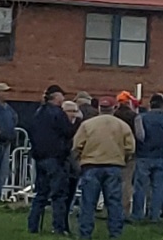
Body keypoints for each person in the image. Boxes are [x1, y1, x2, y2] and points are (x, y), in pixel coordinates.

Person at [73, 95, 135, 240]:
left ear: (99, 108)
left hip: (91, 166)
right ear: (114, 108)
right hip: (114, 166)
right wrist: (123, 159)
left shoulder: (87, 125)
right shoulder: (122, 125)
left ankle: (85, 233)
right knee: (114, 203)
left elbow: (77, 145)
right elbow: (130, 148)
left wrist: (80, 160)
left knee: (88, 202)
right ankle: (115, 233)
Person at [27, 84, 75, 235]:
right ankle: (58, 227)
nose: (63, 98)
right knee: (59, 194)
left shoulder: (38, 112)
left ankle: (33, 226)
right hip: (55, 158)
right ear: (56, 97)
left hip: (40, 157)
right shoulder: (57, 113)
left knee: (41, 193)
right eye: (62, 96)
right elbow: (68, 131)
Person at [132, 92, 163, 222]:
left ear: (150, 105)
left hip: (144, 156)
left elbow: (140, 136)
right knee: (158, 188)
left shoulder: (141, 117)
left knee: (140, 187)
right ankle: (154, 215)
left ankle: (138, 214)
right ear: (162, 105)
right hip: (161, 156)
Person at [114, 91, 138, 218]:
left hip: (113, 151)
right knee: (126, 182)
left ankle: (111, 208)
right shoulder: (134, 116)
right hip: (129, 153)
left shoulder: (114, 116)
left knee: (112, 181)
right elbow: (139, 135)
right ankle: (125, 210)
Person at [62, 100, 83, 233]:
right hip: (62, 164)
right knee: (61, 196)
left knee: (70, 195)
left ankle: (66, 225)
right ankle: (60, 224)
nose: (74, 115)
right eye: (71, 111)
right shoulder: (60, 125)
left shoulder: (80, 126)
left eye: (75, 111)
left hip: (74, 166)